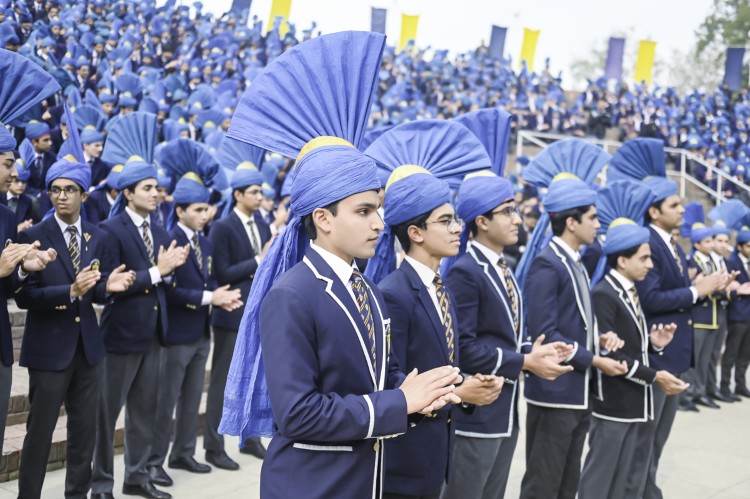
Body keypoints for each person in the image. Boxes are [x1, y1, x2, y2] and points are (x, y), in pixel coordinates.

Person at [219, 31, 462, 499]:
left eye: (378, 210)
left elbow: (379, 380)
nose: (378, 223)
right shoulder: (292, 295)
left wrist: (424, 394)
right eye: (363, 211)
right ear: (323, 218)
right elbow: (298, 413)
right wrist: (400, 401)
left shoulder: (365, 288)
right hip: (312, 486)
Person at [363, 118, 505, 499]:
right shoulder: (394, 293)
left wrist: (470, 384)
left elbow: (444, 361)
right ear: (416, 232)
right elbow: (392, 379)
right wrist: (460, 392)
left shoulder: (443, 288)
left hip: (437, 450)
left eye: (454, 219)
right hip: (404, 459)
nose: (457, 228)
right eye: (445, 221)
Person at [605, 138, 727, 498]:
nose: (682, 208)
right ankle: (637, 490)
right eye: (674, 204)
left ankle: (647, 487)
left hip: (673, 352)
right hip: (657, 352)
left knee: (657, 436)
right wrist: (696, 291)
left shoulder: (671, 243)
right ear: (654, 212)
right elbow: (651, 298)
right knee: (645, 437)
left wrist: (698, 283)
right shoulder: (649, 243)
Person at [441, 171, 573, 499]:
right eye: (507, 211)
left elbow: (505, 337)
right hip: (477, 414)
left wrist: (535, 351)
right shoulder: (466, 271)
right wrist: (525, 361)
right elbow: (463, 348)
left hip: (504, 411)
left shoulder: (503, 268)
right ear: (482, 221)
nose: (517, 220)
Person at [15, 158, 136, 499]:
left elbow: (94, 287)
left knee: (84, 435)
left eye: (69, 190)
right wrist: (69, 291)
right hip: (48, 350)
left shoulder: (98, 236)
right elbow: (24, 296)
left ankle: (77, 494)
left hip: (88, 350)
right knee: (39, 434)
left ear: (84, 195)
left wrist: (108, 288)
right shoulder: (32, 237)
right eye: (55, 190)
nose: (61, 196)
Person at [577, 180, 689, 499]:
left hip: (632, 400)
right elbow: (612, 356)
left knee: (621, 478)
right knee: (599, 479)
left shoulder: (627, 291)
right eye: (644, 258)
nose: (650, 265)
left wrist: (654, 344)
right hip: (614, 401)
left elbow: (626, 344)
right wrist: (655, 375)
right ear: (623, 261)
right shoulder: (604, 294)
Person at [520, 174, 628, 499]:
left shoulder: (573, 261)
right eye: (592, 218)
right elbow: (546, 334)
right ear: (571, 222)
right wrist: (593, 359)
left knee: (567, 485)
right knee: (544, 485)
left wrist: (599, 338)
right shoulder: (548, 264)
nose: (597, 224)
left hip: (577, 391)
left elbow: (573, 322)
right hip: (555, 392)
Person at [91, 157, 189, 499]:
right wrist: (158, 272)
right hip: (120, 334)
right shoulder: (110, 230)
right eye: (147, 188)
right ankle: (100, 484)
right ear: (128, 193)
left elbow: (164, 282)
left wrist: (171, 271)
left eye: (157, 188)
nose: (156, 194)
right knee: (107, 415)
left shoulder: (161, 232)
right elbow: (107, 284)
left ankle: (137, 477)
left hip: (154, 333)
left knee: (145, 411)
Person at [147, 172, 242, 486]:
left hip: (201, 331)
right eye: (198, 210)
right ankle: (153, 462)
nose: (205, 215)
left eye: (206, 209)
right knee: (166, 403)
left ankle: (183, 453)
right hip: (176, 334)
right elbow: (170, 290)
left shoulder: (205, 241)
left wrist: (220, 295)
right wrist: (210, 297)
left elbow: (209, 280)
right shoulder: (169, 240)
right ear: (180, 211)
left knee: (191, 400)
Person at [0, 47, 61, 456]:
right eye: (7, 163)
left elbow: (6, 290)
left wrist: (23, 269)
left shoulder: (7, 218)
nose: (15, 172)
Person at [205, 163, 272, 469]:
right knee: (221, 383)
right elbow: (222, 273)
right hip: (231, 314)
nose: (260, 197)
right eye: (254, 192)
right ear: (238, 194)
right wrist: (259, 259)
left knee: (255, 380)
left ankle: (252, 437)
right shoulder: (223, 227)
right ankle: (213, 446)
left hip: (258, 314)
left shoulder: (262, 224)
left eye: (261, 191)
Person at [724, 225, 750, 399]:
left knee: (746, 353)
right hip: (738, 314)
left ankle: (740, 384)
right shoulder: (732, 263)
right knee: (731, 352)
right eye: (748, 246)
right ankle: (724, 386)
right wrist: (738, 289)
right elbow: (729, 288)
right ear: (739, 247)